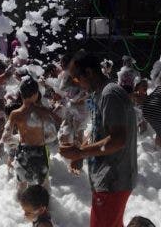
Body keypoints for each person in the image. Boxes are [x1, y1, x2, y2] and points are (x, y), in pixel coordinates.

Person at [59, 50, 137, 227]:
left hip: (114, 179)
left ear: (88, 72)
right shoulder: (97, 94)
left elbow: (118, 140)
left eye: (76, 78)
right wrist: (81, 153)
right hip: (106, 178)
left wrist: (80, 152)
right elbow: (98, 130)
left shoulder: (110, 94)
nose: (75, 84)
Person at [2, 77, 56, 193]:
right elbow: (52, 136)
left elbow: (5, 138)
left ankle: (21, 206)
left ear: (21, 94)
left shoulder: (15, 114)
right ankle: (45, 208)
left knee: (21, 185)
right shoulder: (42, 112)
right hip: (40, 151)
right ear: (36, 94)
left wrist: (18, 139)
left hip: (23, 152)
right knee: (43, 184)